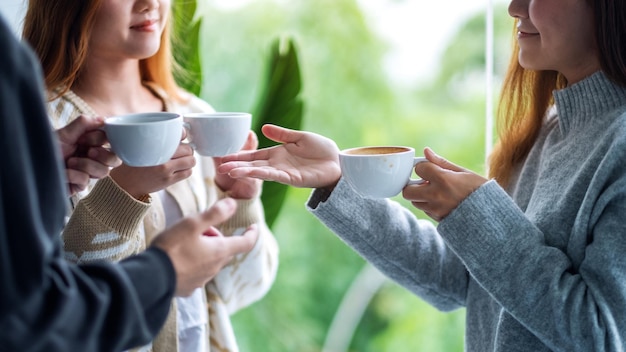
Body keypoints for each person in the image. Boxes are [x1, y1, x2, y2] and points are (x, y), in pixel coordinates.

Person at [218, 0, 626, 350]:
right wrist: (338, 182)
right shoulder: (548, 131)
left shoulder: (619, 146)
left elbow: (604, 336)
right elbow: (461, 281)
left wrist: (481, 216)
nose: (514, 8)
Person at [22, 0, 279, 351]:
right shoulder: (32, 131)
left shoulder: (196, 116)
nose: (150, 3)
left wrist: (240, 202)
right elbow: (39, 310)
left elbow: (241, 289)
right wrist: (120, 195)